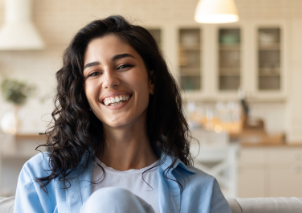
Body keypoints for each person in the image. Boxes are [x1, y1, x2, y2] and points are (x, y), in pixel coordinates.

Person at [14, 15, 231, 213]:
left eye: (123, 65)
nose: (109, 81)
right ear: (83, 91)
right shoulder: (41, 176)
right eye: (94, 73)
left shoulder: (202, 192)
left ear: (151, 80)